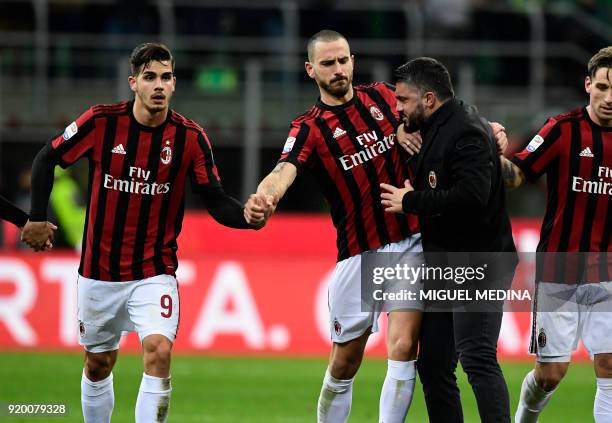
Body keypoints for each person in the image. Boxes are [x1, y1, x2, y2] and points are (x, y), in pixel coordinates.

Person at [244, 30, 507, 423]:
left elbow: (443, 114)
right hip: (357, 252)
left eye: (344, 60)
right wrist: (266, 197)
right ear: (310, 69)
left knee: (403, 347)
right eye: (328, 63)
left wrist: (489, 128)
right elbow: (284, 169)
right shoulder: (309, 127)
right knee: (344, 362)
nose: (339, 70)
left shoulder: (384, 98)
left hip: (411, 242)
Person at [21, 42, 269, 423]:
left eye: (166, 77)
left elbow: (215, 200)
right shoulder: (101, 122)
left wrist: (247, 218)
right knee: (99, 362)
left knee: (158, 350)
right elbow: (46, 157)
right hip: (98, 273)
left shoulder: (189, 138)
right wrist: (37, 217)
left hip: (154, 272)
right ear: (133, 82)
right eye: (150, 77)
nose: (158, 85)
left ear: (174, 84)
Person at [380, 57, 517, 422]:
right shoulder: (439, 126)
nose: (398, 109)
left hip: (480, 261)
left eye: (403, 101)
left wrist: (410, 201)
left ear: (427, 99)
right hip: (446, 263)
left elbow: (471, 197)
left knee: (477, 357)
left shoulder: (468, 132)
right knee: (434, 363)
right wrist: (398, 132)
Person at [501, 46, 612, 423]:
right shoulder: (563, 129)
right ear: (588, 85)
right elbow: (517, 174)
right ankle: (524, 419)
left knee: (610, 368)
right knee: (551, 374)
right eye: (601, 87)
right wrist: (482, 154)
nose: (609, 97)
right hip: (559, 269)